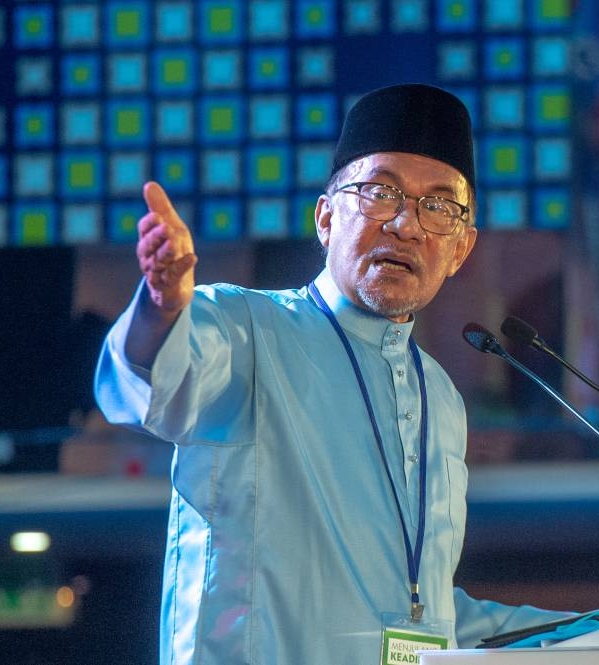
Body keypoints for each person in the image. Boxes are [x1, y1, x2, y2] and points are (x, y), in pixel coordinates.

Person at [95, 83, 566, 664]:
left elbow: (426, 615)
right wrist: (163, 306)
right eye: (379, 192)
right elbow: (148, 381)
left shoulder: (440, 396)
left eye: (437, 207)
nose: (405, 224)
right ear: (325, 217)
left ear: (461, 249)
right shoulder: (246, 329)